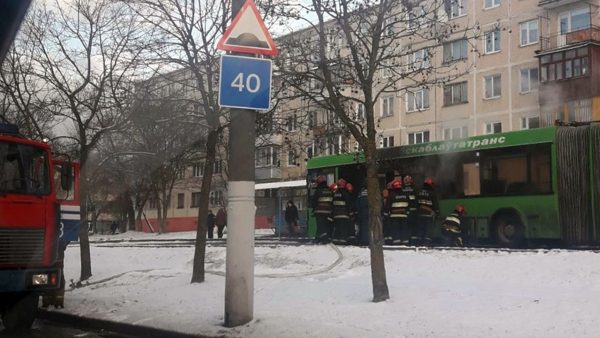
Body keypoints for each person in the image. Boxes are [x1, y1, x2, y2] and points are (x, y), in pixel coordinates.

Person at [383, 178, 409, 244]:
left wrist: (386, 213)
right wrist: (408, 212)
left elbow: (388, 205)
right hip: (404, 215)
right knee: (404, 228)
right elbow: (408, 204)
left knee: (395, 228)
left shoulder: (391, 194)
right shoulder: (405, 194)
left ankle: (396, 241)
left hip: (394, 215)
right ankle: (405, 241)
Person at [311, 176, 334, 244]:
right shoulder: (330, 190)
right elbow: (333, 201)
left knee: (320, 226)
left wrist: (314, 208)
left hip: (319, 212)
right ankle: (323, 238)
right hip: (328, 212)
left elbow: (314, 201)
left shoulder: (318, 190)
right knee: (326, 225)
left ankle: (321, 239)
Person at [331, 178, 355, 245]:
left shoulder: (335, 193)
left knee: (337, 228)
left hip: (336, 215)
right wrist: (351, 214)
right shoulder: (345, 193)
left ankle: (335, 240)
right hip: (344, 214)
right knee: (343, 228)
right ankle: (342, 240)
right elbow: (349, 204)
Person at [417, 177, 439, 245]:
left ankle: (420, 242)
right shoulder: (432, 193)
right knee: (428, 229)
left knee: (421, 228)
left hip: (420, 214)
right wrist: (437, 212)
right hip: (428, 214)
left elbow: (416, 203)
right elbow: (435, 203)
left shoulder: (419, 191)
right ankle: (426, 243)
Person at [401, 175, 418, 243]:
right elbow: (416, 200)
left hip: (404, 211)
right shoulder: (414, 189)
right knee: (413, 226)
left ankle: (405, 239)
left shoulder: (402, 189)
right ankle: (413, 240)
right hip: (413, 211)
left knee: (405, 226)